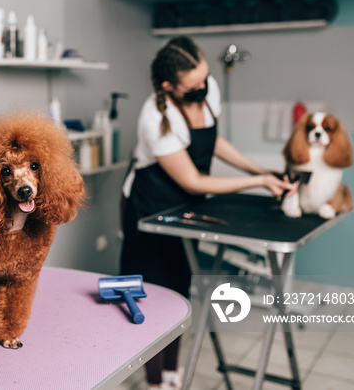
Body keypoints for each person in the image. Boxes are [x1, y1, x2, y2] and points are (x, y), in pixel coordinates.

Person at [120, 36, 293, 389]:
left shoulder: (206, 88)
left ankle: (171, 371)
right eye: (194, 84)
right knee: (150, 298)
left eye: (205, 78)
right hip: (149, 210)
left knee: (180, 292)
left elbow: (213, 142)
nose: (203, 86)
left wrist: (258, 170)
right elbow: (195, 180)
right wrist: (258, 181)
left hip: (186, 209)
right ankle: (154, 382)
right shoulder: (156, 117)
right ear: (169, 86)